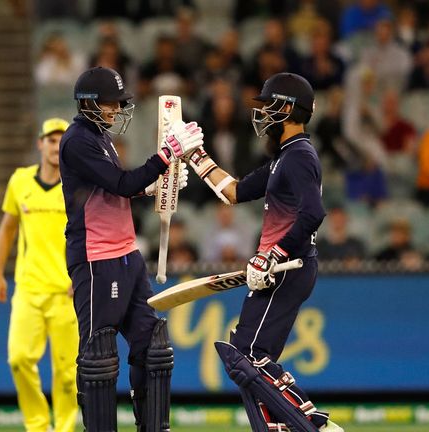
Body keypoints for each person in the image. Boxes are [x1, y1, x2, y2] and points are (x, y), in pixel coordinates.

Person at [184, 72, 343, 431]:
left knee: (249, 357)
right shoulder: (283, 158)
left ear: (286, 109)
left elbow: (313, 213)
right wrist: (194, 155)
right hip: (278, 268)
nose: (262, 115)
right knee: (246, 354)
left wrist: (273, 254)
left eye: (269, 106)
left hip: (287, 267)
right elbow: (235, 192)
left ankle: (313, 423)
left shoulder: (299, 155)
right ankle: (279, 426)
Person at [60, 66, 201, 431]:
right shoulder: (77, 140)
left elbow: (116, 189)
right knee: (99, 355)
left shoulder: (100, 137)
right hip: (97, 258)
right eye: (110, 104)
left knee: (153, 347)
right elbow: (120, 184)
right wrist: (165, 156)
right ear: (89, 103)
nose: (115, 110)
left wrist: (153, 187)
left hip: (126, 254)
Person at [0, 118, 78, 432]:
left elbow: (92, 233)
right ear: (40, 144)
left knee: (67, 374)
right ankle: (38, 424)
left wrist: (83, 277)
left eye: (61, 140)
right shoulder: (20, 181)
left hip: (66, 292)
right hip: (28, 289)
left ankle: (64, 427)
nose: (55, 146)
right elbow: (8, 229)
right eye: (50, 140)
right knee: (19, 359)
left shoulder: (77, 183)